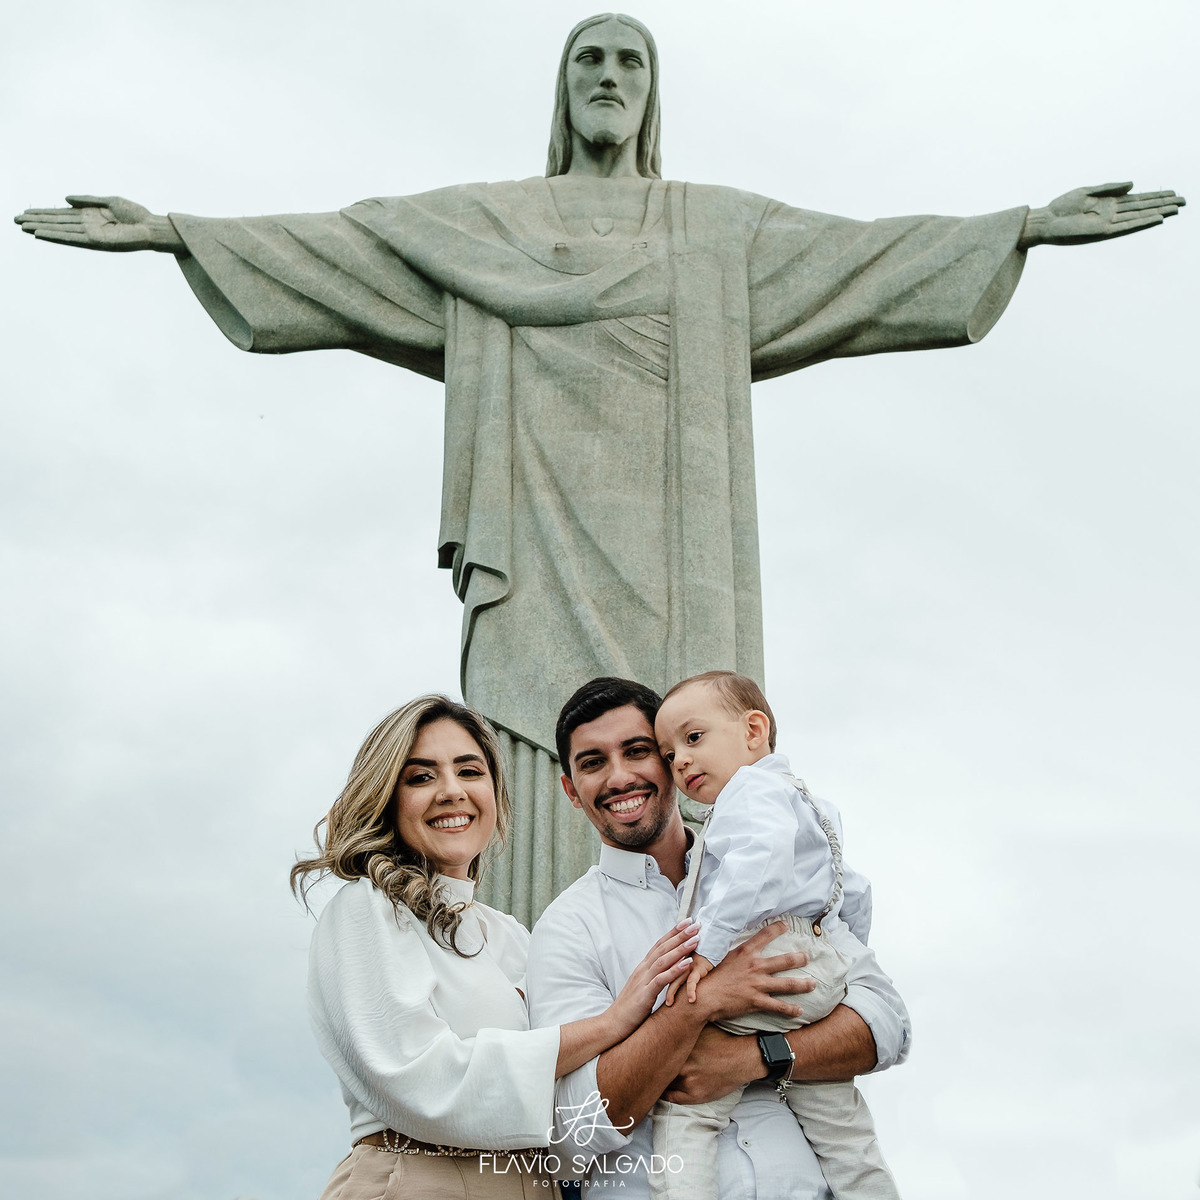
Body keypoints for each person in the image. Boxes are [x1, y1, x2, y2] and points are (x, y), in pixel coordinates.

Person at [14, 15, 1184, 922]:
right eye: (591, 60)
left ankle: (691, 991)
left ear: (652, 90)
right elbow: (346, 247)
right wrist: (179, 231)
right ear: (566, 92)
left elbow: (864, 258)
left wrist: (1020, 225)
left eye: (631, 59)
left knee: (679, 751)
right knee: (535, 758)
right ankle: (538, 1010)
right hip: (535, 554)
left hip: (682, 563)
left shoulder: (714, 231)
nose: (611, 76)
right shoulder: (488, 225)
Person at [290, 692, 800, 1199]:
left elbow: (565, 1116)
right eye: (421, 777)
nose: (451, 791)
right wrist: (613, 1022)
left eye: (470, 772)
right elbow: (420, 1080)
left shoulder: (510, 935)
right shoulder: (368, 910)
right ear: (386, 795)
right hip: (421, 1177)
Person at [526, 678, 910, 1200]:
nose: (620, 776)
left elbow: (886, 1027)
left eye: (639, 752)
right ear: (572, 789)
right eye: (593, 762)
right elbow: (574, 1131)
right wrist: (699, 1005)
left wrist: (755, 1056)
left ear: (669, 763)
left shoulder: (771, 864)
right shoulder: (567, 926)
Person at [652, 670, 898, 1199]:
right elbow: (855, 891)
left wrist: (709, 951)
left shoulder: (748, 791)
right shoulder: (809, 800)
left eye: (693, 739)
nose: (681, 762)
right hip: (817, 965)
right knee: (842, 1129)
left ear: (754, 730)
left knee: (685, 1113)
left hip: (766, 957)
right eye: (669, 754)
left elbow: (757, 864)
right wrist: (838, 961)